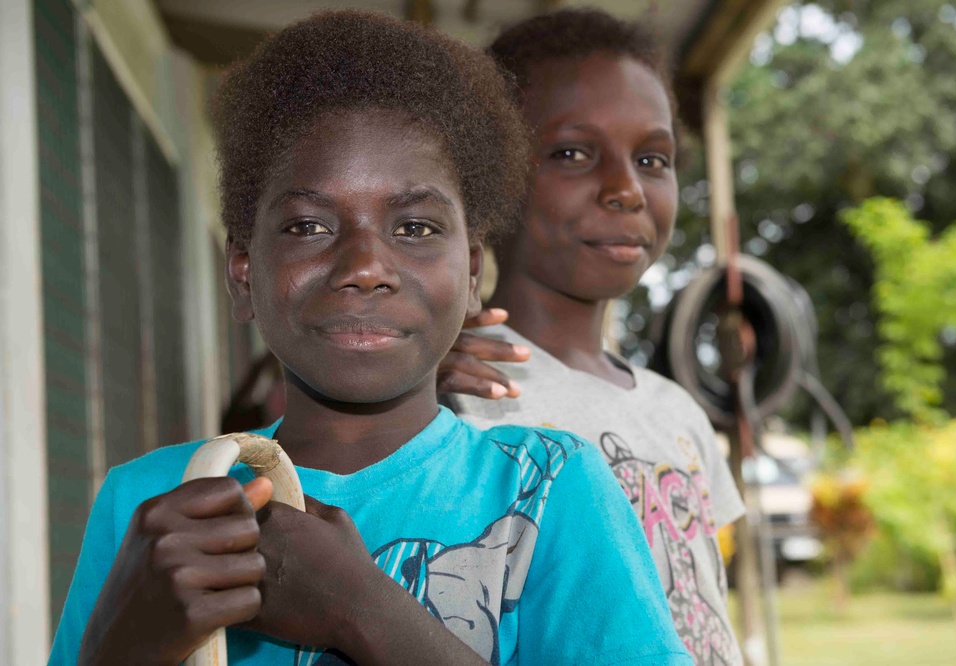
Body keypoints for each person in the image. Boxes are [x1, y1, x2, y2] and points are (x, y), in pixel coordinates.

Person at [48, 11, 694, 666]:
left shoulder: (550, 488)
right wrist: (121, 646)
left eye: (414, 228)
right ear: (243, 275)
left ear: (472, 272)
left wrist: (360, 608)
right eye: (308, 226)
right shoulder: (152, 505)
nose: (363, 266)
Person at [440, 10, 745, 665]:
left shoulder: (676, 412)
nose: (626, 189)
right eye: (572, 153)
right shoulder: (461, 395)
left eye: (652, 158)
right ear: (488, 182)